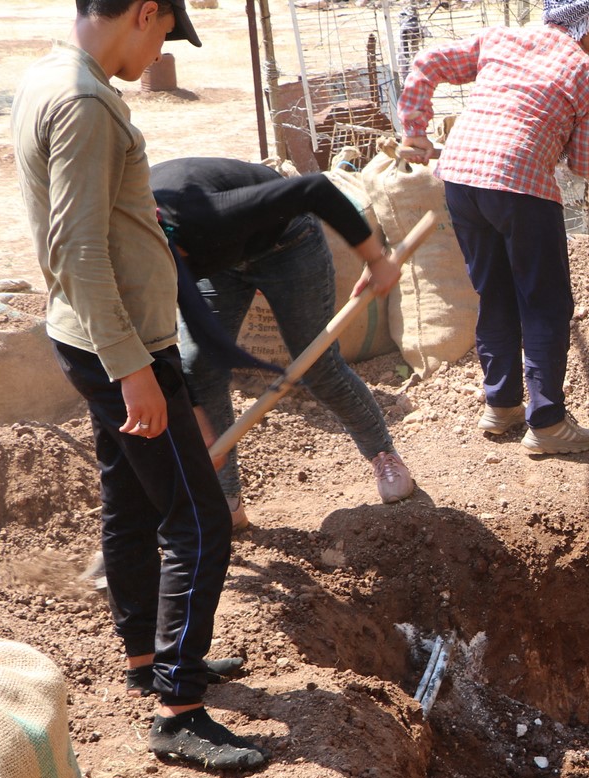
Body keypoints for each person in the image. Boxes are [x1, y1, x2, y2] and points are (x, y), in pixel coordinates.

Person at [12, 0, 264, 771]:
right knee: (200, 520)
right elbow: (78, 248)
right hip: (118, 342)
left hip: (89, 333)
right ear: (145, 12)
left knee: (128, 496)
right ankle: (179, 710)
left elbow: (82, 230)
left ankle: (144, 657)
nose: (157, 52)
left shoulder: (54, 76)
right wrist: (134, 370)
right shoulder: (87, 100)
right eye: (162, 34)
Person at [396, 0, 589, 455]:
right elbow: (585, 164)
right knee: (544, 303)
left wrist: (414, 130)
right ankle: (548, 423)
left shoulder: (501, 38)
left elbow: (428, 61)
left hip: (462, 179)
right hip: (520, 188)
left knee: (494, 292)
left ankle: (501, 406)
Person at [151, 157, 415, 527]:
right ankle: (225, 500)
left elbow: (314, 188)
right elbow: (155, 345)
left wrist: (375, 258)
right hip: (219, 264)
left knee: (319, 365)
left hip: (288, 243)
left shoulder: (202, 216)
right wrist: (197, 417)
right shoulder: (142, 256)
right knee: (198, 367)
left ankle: (384, 455)